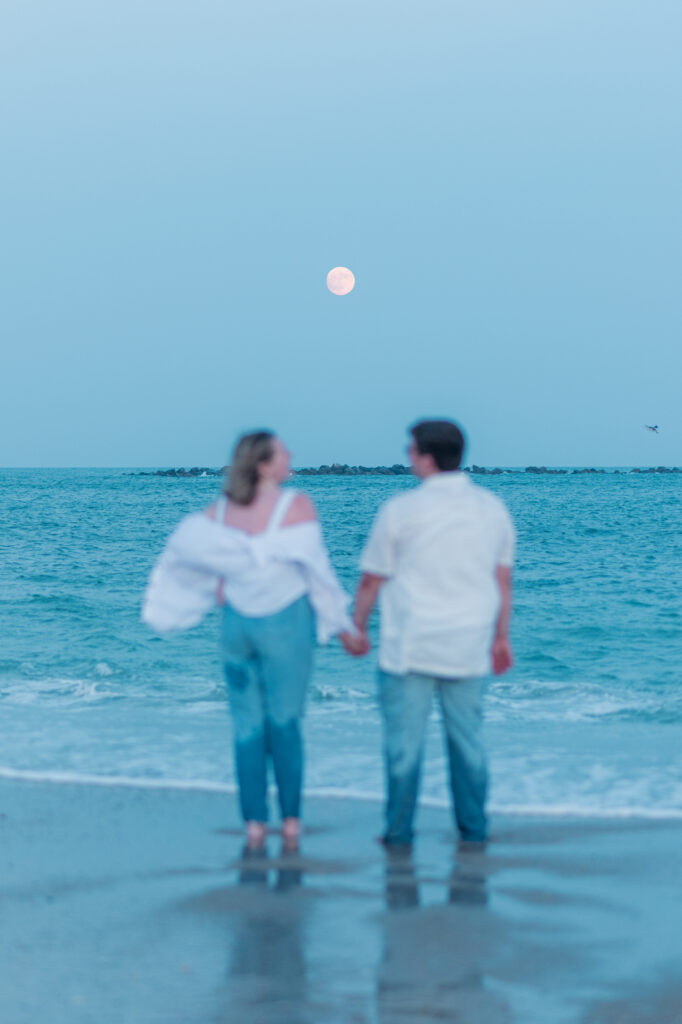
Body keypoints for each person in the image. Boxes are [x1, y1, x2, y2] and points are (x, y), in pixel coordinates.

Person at [142, 430, 361, 849]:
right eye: (282, 452)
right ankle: (292, 822)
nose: (291, 455)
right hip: (285, 625)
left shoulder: (219, 512)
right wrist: (343, 626)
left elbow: (192, 560)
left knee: (246, 726)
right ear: (263, 464)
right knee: (284, 723)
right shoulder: (295, 505)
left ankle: (254, 825)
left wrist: (211, 593)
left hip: (237, 625)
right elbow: (318, 574)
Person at [350, 419, 515, 848]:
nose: (408, 457)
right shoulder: (491, 508)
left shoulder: (401, 510)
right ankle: (474, 831)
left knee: (404, 748)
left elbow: (372, 580)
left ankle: (399, 832)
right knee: (468, 745)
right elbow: (502, 582)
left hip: (410, 643)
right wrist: (501, 638)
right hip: (468, 641)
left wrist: (357, 627)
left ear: (425, 456)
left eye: (411, 450)